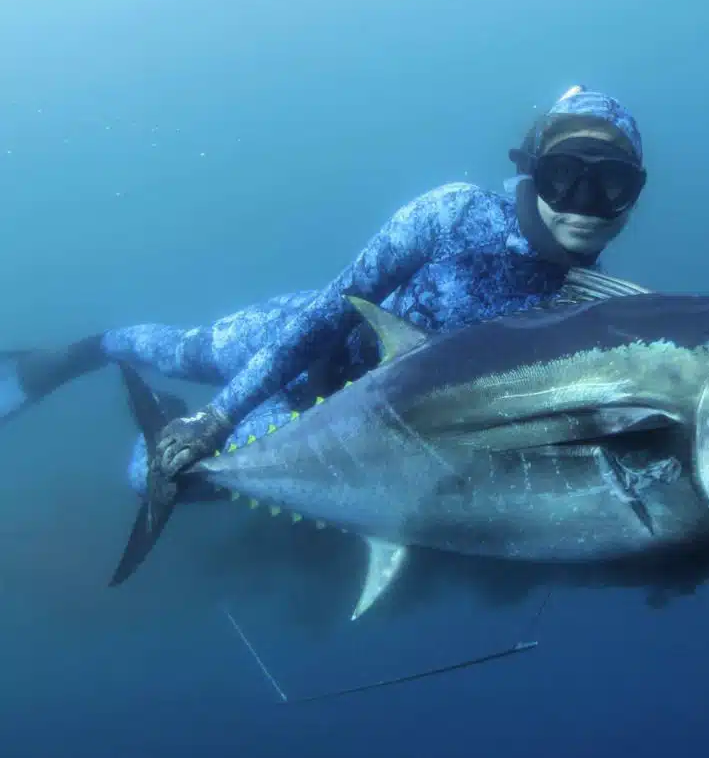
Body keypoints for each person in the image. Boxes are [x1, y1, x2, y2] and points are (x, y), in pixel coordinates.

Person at [0, 85, 648, 494]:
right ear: (531, 171)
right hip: (297, 339)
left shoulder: (602, 309)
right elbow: (332, 306)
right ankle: (83, 354)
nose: (583, 205)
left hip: (348, 425)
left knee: (150, 479)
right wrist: (217, 415)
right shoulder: (453, 216)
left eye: (612, 185)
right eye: (564, 176)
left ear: (633, 197)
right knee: (186, 350)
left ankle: (166, 412)